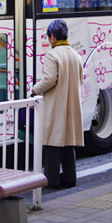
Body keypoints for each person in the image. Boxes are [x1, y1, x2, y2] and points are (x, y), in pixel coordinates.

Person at [30, 18, 84, 189]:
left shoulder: (52, 55)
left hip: (56, 104)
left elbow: (49, 80)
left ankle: (52, 180)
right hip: (72, 104)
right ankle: (70, 178)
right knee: (68, 142)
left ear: (52, 37)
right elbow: (81, 79)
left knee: (51, 142)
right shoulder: (76, 55)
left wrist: (35, 89)